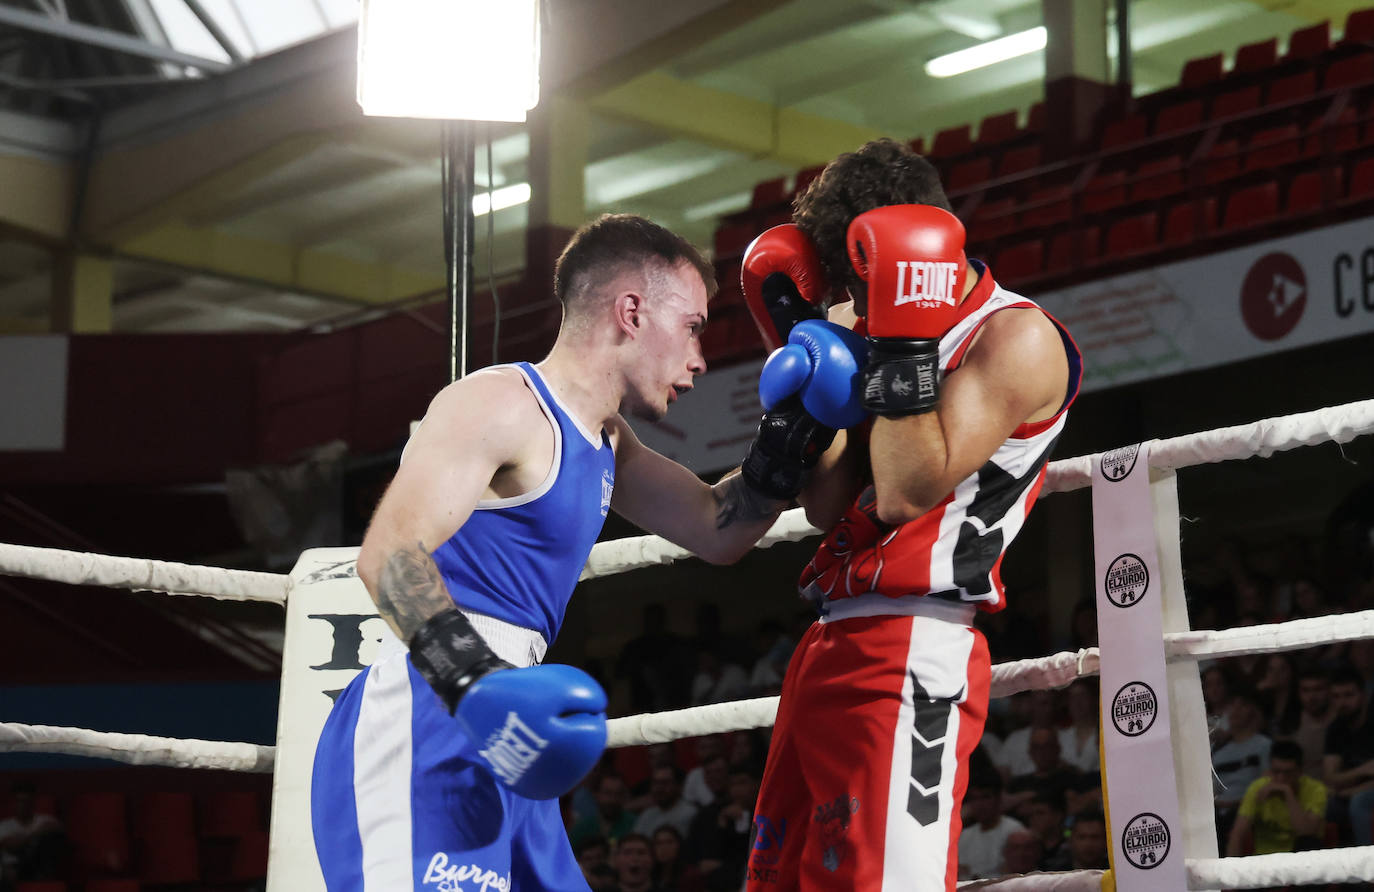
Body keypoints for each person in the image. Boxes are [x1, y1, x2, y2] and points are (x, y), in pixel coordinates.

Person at [311, 214, 808, 891]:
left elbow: (720, 528)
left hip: (514, 725)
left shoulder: (609, 441)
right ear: (631, 310)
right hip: (435, 708)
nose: (700, 357)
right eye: (691, 325)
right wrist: (475, 683)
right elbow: (389, 555)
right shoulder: (500, 402)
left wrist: (792, 435)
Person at [742, 137, 1081, 891]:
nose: (855, 310)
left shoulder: (1015, 337)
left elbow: (905, 491)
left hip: (910, 645)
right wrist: (810, 385)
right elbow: (829, 507)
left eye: (862, 288)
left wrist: (899, 338)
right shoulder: (867, 320)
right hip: (827, 639)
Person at [1225, 740, 1326, 856]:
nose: (1281, 778)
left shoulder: (1316, 790)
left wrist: (1288, 793)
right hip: (1265, 860)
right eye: (1276, 771)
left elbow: (1306, 832)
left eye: (1288, 773)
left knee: (1308, 842)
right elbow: (1237, 834)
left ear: (1300, 771)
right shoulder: (1258, 787)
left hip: (1300, 861)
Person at [1321, 667, 1374, 845]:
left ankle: (1366, 868)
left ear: (1363, 695)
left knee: (1359, 802)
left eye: (1348, 695)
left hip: (1360, 793)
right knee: (1319, 805)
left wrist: (1350, 790)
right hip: (1349, 791)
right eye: (1336, 697)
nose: (1342, 702)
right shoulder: (1336, 729)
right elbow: (1330, 778)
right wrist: (1363, 770)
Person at [956, 771, 1026, 880]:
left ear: (999, 799)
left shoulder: (1015, 831)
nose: (979, 804)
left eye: (985, 797)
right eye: (974, 798)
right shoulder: (964, 835)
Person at [0, 781, 64, 888]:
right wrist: (35, 835)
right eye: (19, 801)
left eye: (26, 801)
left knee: (51, 841)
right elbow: (11, 846)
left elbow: (58, 828)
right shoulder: (3, 826)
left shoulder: (44, 820)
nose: (23, 805)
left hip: (38, 866)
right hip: (13, 868)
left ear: (33, 802)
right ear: (13, 803)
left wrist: (25, 840)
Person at [632, 765, 697, 839]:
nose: (659, 788)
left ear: (679, 786)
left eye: (665, 783)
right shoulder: (647, 815)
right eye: (655, 782)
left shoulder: (690, 814)